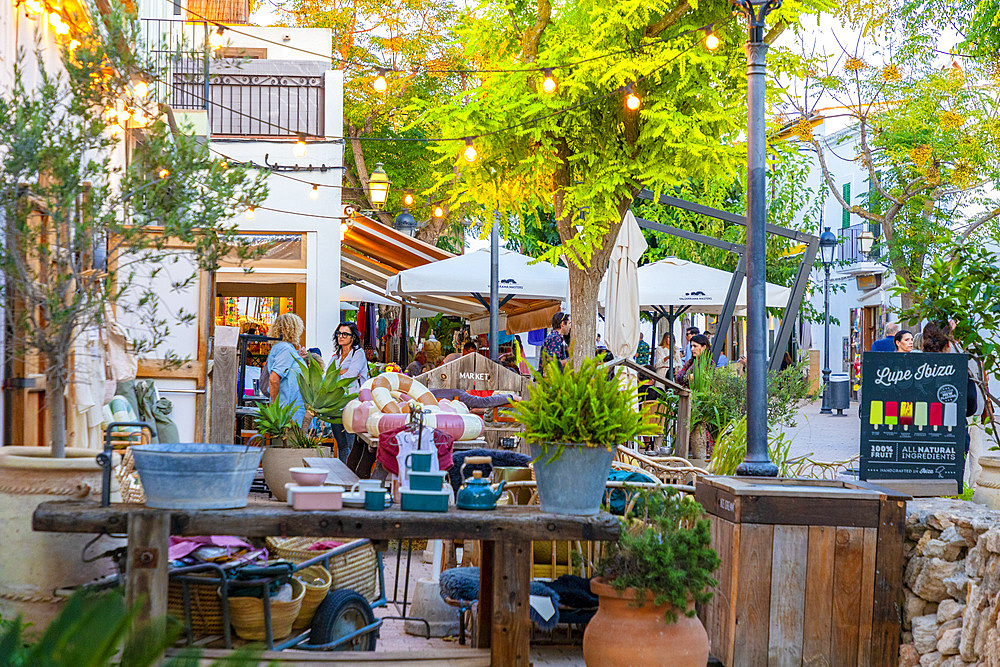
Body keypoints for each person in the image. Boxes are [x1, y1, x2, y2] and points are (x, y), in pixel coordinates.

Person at [331, 321, 369, 464]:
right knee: (341, 445)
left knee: (352, 444)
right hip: (336, 404)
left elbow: (351, 375)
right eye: (339, 333)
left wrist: (337, 374)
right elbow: (325, 377)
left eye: (345, 334)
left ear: (353, 337)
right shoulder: (336, 355)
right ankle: (343, 473)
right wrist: (341, 372)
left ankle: (352, 475)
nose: (341, 336)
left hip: (352, 404)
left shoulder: (358, 353)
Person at [266, 313, 308, 424]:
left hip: (290, 411)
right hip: (288, 412)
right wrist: (274, 407)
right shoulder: (285, 349)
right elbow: (274, 378)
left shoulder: (283, 347)